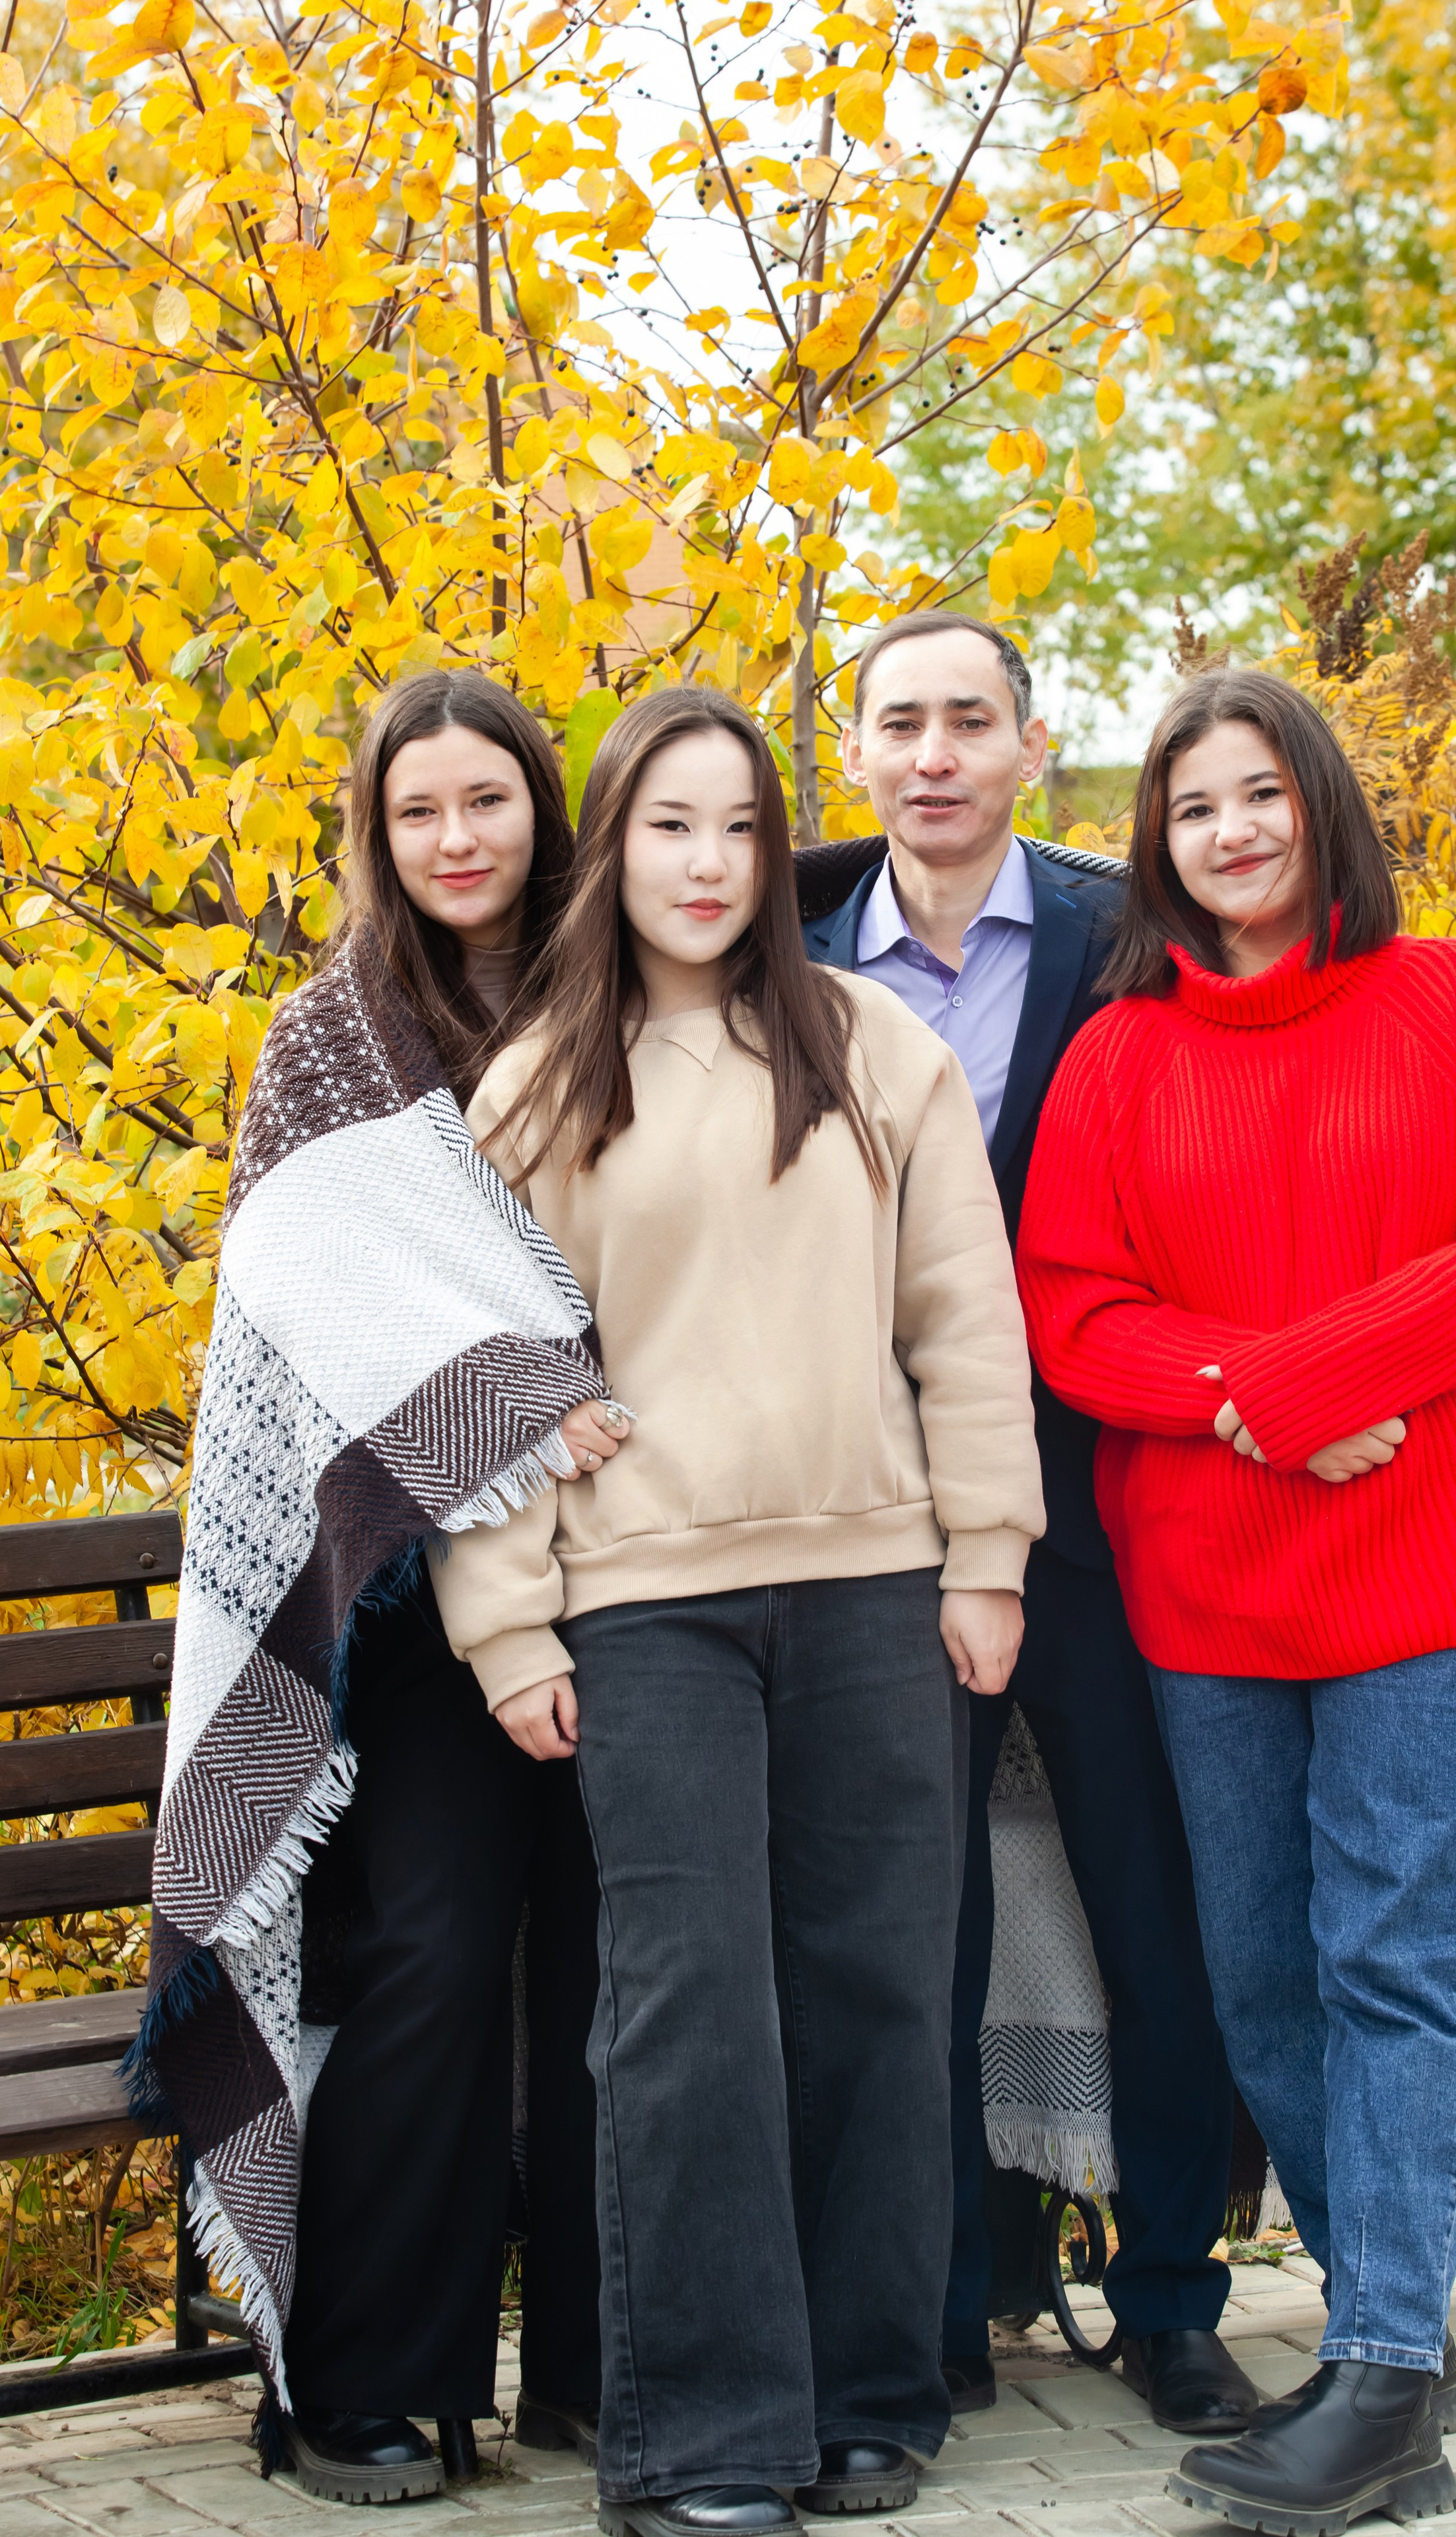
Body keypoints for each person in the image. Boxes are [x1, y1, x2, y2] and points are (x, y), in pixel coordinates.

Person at [431, 686, 1045, 2537]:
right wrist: (509, 1622)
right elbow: (485, 1380)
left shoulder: (876, 1051)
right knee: (688, 2014)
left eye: (737, 829)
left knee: (874, 1992)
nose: (703, 865)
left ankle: (868, 2400)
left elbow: (964, 1319)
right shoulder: (537, 1082)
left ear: (778, 855)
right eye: (664, 827)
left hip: (875, 1582)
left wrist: (989, 1552)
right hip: (647, 1609)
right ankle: (699, 2442)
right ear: (608, 850)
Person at [1016, 665, 1456, 2532]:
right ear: (1158, 846)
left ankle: (1390, 2373)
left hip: (1426, 1564)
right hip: (1207, 1584)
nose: (1233, 830)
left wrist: (1308, 1384)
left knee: (1396, 1959)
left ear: (1319, 805)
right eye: (1194, 808)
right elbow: (1075, 1313)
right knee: (1262, 1968)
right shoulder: (1120, 1052)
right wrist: (1262, 1411)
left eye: (1261, 793)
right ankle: (1381, 2330)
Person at [802, 612, 1248, 2435]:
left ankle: (1171, 2300)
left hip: (1102, 1509)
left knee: (1159, 1909)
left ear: (1029, 740)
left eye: (968, 720)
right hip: (862, 1517)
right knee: (914, 1921)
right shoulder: (780, 943)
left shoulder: (1128, 931)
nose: (934, 754)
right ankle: (935, 2299)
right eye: (899, 720)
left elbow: (1313, 1027)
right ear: (854, 748)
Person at [277, 670, 623, 2497]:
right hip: (411, 1595)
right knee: (425, 1950)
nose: (459, 839)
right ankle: (360, 2378)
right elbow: (305, 1305)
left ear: (541, 808)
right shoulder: (330, 1038)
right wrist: (513, 1393)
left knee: (610, 1965)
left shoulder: (623, 995)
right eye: (419, 812)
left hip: (633, 1555)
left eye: (487, 800)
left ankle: (591, 2359)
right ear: (378, 833)